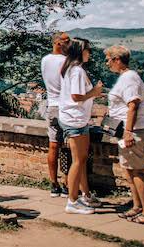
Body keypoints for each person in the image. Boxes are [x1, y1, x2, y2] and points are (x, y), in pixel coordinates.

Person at [105, 45, 144, 224]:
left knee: (137, 171)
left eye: (109, 60)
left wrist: (128, 132)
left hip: (134, 131)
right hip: (128, 131)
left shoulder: (129, 78)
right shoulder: (125, 77)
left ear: (117, 60)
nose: (107, 63)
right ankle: (137, 207)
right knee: (128, 170)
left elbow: (133, 105)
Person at [58, 37, 104, 214]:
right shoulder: (76, 71)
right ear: (80, 51)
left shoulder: (71, 68)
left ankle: (85, 195)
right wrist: (95, 92)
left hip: (77, 119)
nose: (90, 53)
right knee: (78, 161)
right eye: (88, 49)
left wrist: (92, 94)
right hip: (75, 119)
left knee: (82, 159)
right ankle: (72, 201)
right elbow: (76, 97)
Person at [41, 32, 70, 197]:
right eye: (66, 41)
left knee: (53, 145)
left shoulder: (45, 60)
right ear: (58, 43)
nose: (69, 44)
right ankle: (67, 183)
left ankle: (54, 184)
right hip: (65, 106)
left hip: (52, 105)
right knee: (68, 147)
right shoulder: (67, 61)